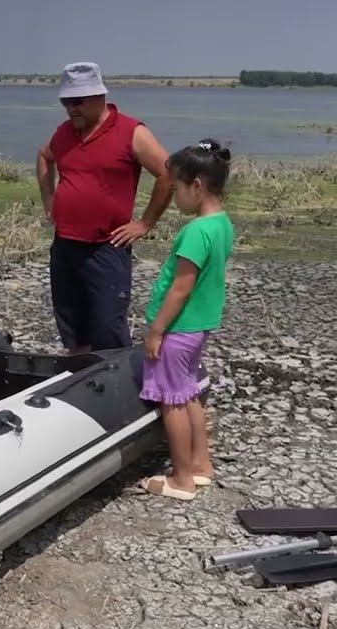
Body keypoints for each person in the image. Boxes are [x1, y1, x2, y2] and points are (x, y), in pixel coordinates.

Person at [36, 61, 174, 354]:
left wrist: (145, 223)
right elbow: (44, 156)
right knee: (72, 325)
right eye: (66, 102)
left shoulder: (131, 131)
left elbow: (168, 173)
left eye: (78, 101)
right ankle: (81, 373)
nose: (71, 108)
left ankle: (117, 376)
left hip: (107, 248)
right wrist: (49, 199)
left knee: (107, 327)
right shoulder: (64, 132)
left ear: (99, 96)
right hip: (65, 244)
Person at [137, 140, 235, 500]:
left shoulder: (196, 231)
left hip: (178, 329)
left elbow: (181, 288)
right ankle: (200, 465)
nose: (173, 196)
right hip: (199, 326)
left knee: (172, 401)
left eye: (176, 188)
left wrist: (156, 330)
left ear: (196, 185)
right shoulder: (222, 224)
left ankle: (181, 480)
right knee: (189, 392)